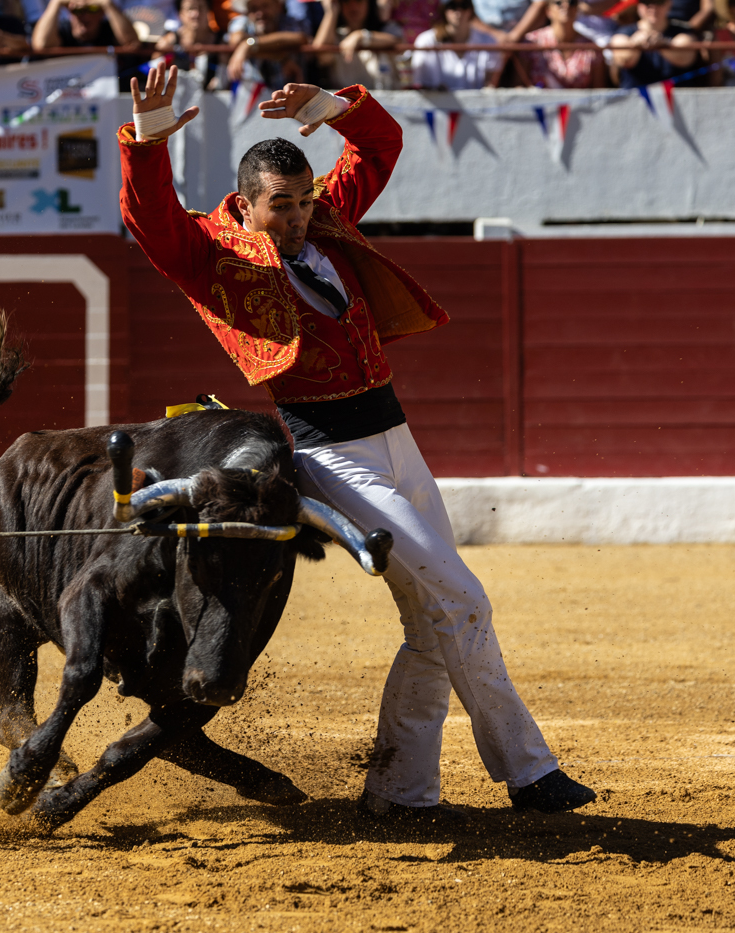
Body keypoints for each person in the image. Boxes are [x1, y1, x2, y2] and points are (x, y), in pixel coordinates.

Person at [119, 62, 598, 821]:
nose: (302, 216)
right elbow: (152, 224)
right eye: (283, 205)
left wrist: (334, 107)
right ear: (246, 205)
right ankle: (530, 772)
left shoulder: (327, 221)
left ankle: (402, 791)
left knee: (433, 622)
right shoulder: (215, 256)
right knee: (463, 598)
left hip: (397, 439)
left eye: (307, 200)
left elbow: (378, 147)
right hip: (327, 452)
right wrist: (146, 143)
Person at [312, 0, 404, 89]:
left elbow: (399, 42)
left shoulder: (387, 28)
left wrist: (362, 36)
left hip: (385, 99)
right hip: (348, 102)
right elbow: (320, 53)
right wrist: (331, 12)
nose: (353, 7)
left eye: (359, 0)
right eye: (346, 1)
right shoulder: (335, 37)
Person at [410, 0, 502, 89]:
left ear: (471, 10)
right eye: (452, 6)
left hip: (478, 104)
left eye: (464, 6)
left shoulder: (488, 41)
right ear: (444, 10)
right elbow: (422, 84)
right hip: (438, 104)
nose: (458, 12)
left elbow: (490, 85)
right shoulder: (426, 41)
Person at [607, 0, 699, 88]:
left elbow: (686, 57)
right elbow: (625, 59)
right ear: (639, 5)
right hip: (636, 99)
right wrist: (635, 44)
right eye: (646, 1)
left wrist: (663, 43)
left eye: (659, 1)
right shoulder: (624, 33)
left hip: (678, 99)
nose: (653, 6)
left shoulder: (683, 32)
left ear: (669, 3)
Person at [515, 0, 606, 87]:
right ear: (548, 11)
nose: (566, 6)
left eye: (572, 2)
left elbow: (598, 90)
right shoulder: (532, 42)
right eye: (558, 2)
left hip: (580, 103)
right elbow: (519, 84)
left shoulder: (591, 47)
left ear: (577, 9)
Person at [225, 0, 313, 90]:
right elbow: (236, 39)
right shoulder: (242, 22)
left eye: (265, 6)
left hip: (291, 95)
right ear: (247, 11)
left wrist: (248, 45)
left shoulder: (291, 22)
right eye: (253, 8)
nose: (260, 13)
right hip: (252, 97)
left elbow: (299, 38)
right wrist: (281, 58)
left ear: (278, 6)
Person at [152, 0, 223, 87]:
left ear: (209, 11)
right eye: (190, 9)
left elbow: (224, 76)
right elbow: (153, 70)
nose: (195, 14)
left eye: (201, 8)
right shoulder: (169, 42)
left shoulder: (221, 41)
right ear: (180, 13)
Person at [31, 0, 138, 50]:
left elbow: (132, 43)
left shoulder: (110, 30)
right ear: (69, 12)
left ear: (102, 13)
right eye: (77, 10)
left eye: (92, 9)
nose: (85, 16)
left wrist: (108, 4)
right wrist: (56, 3)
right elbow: (41, 44)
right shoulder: (61, 30)